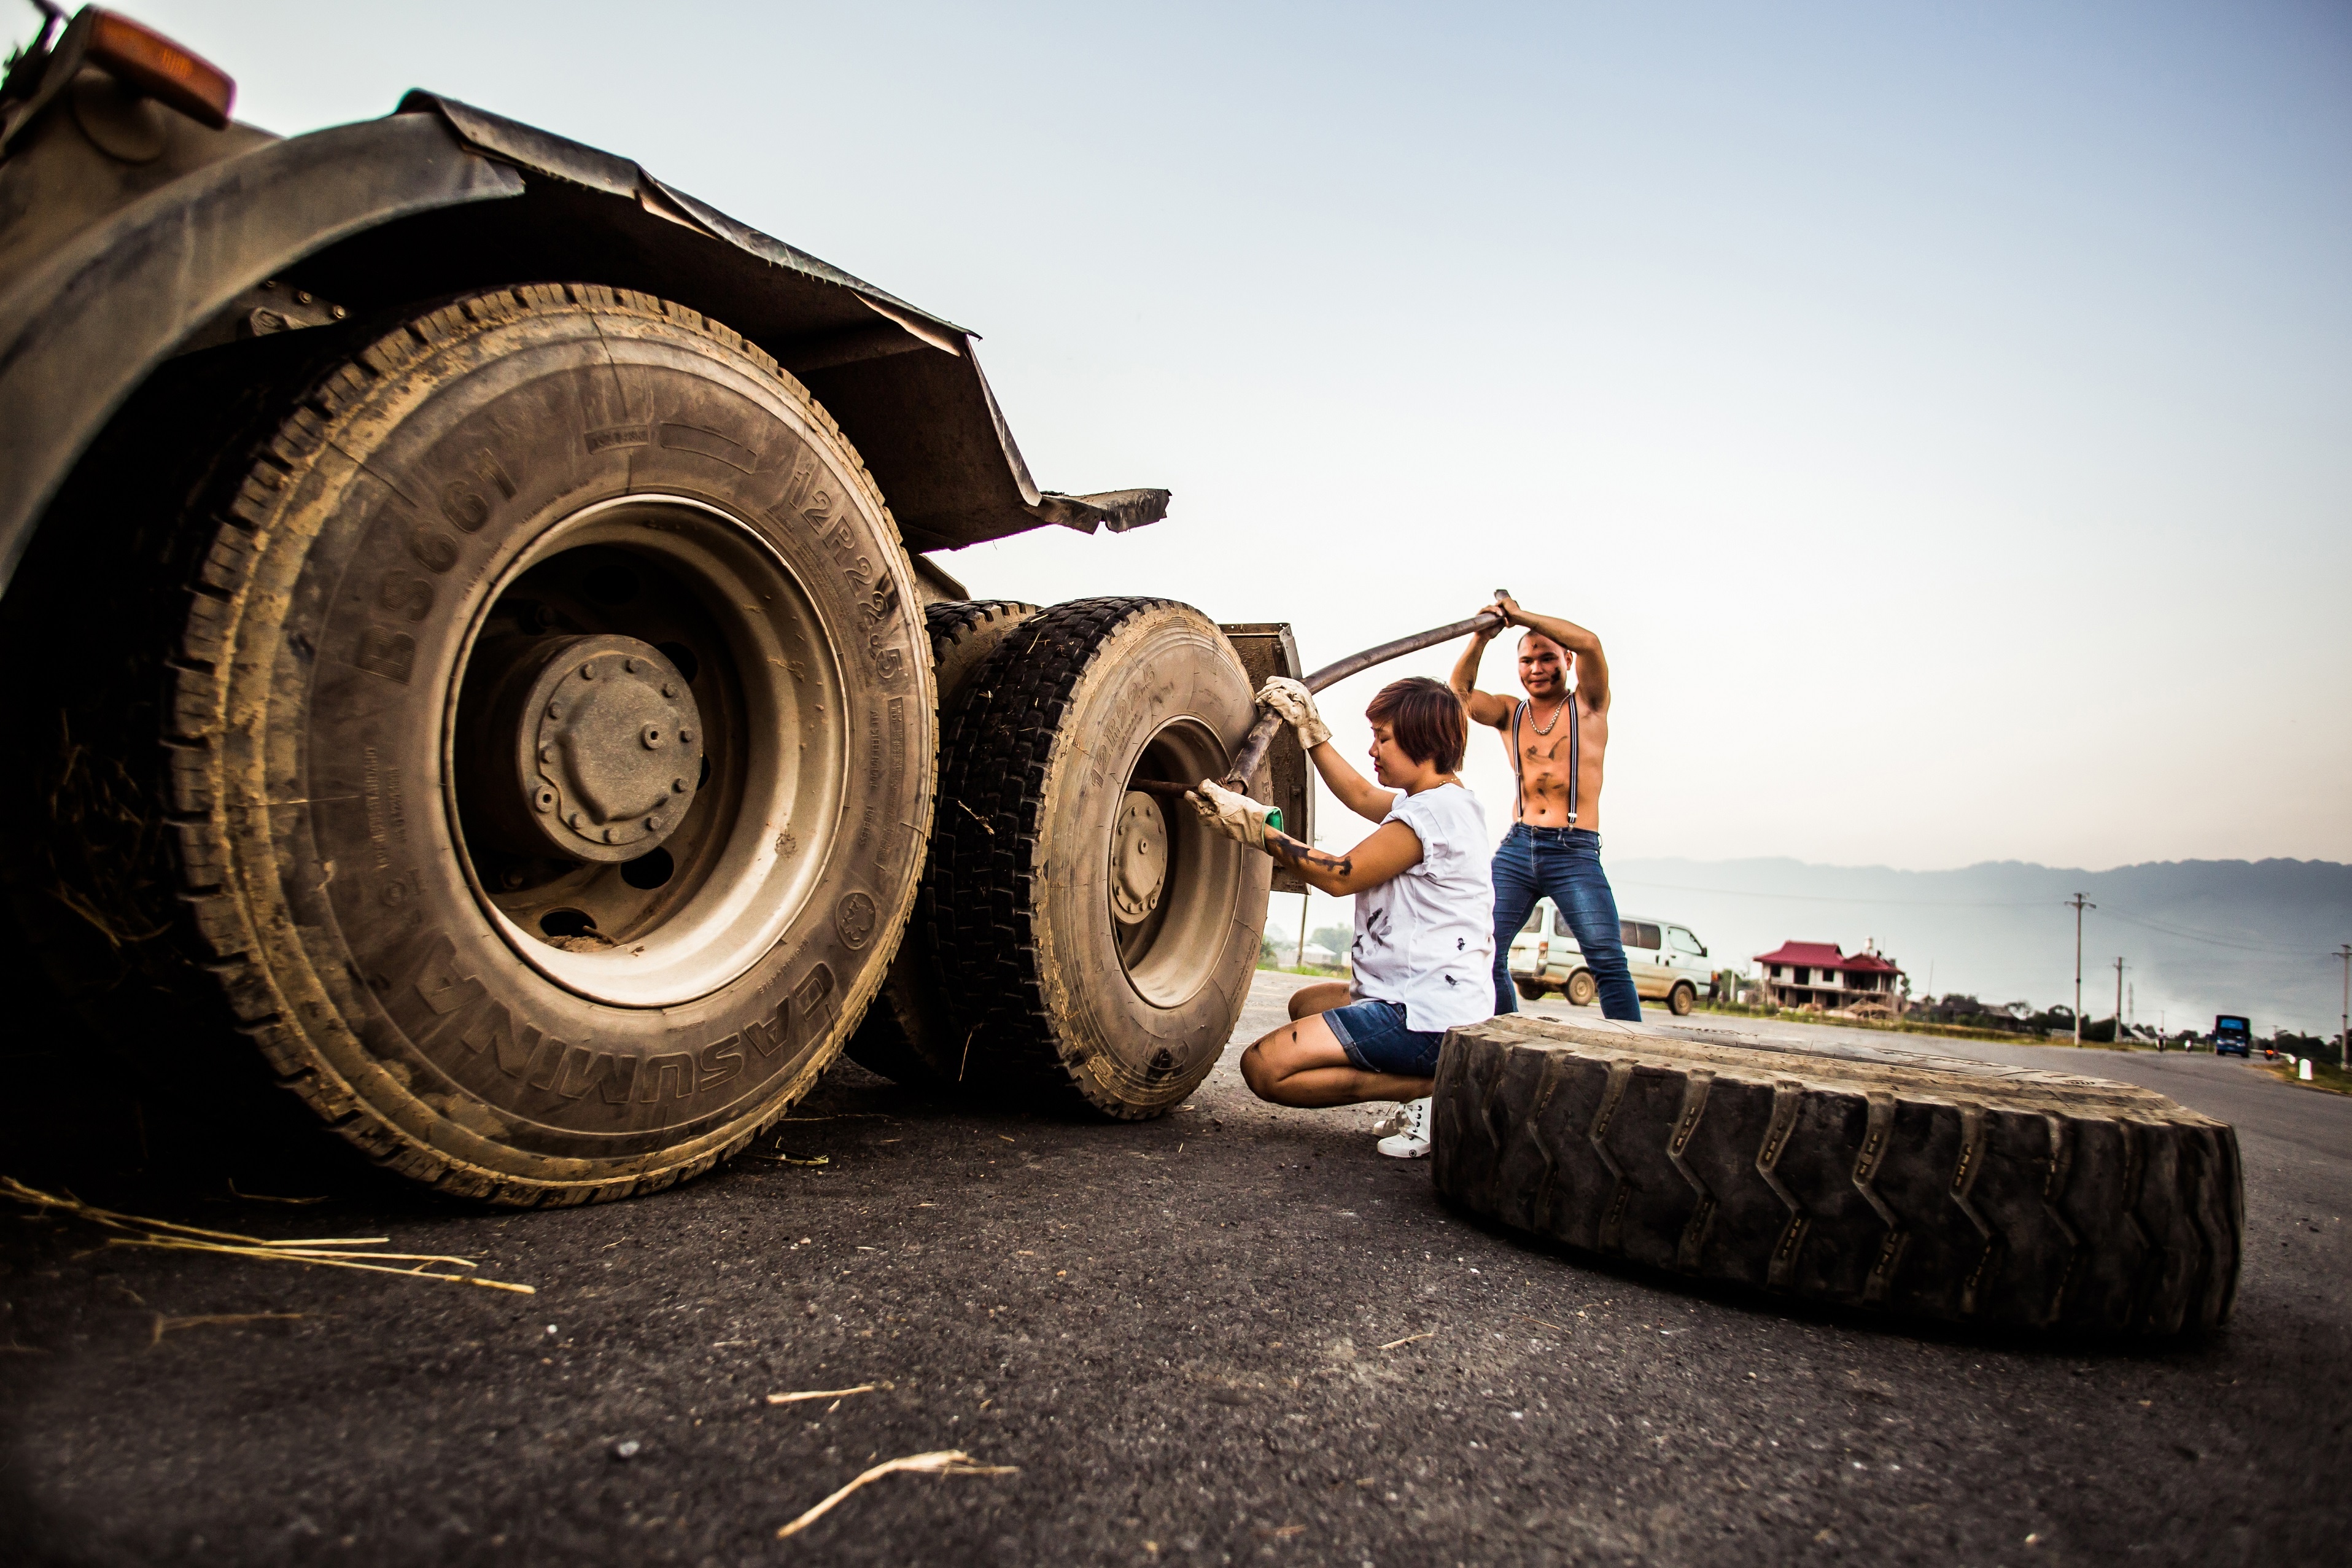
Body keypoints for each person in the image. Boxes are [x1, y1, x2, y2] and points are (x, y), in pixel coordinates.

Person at [1186, 677, 1494, 1159]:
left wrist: (1260, 831)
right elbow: (1357, 794)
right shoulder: (1440, 801)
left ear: (1424, 742)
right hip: (1430, 996)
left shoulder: (1433, 816)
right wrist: (1310, 729)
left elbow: (1339, 876)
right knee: (1306, 1005)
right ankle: (1424, 1084)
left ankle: (1428, 1089)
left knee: (1265, 1068)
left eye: (1384, 738)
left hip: (1427, 1015)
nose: (1373, 749)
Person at [1449, 592, 1640, 1021]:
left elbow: (1590, 642)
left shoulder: (1588, 706)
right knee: (1483, 947)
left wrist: (1518, 617)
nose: (1536, 668)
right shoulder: (1509, 712)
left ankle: (1632, 1057)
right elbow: (1457, 693)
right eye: (1527, 661)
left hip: (1573, 850)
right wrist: (1481, 637)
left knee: (1606, 960)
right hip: (1518, 847)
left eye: (1547, 657)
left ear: (1566, 661)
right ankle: (1503, 1035)